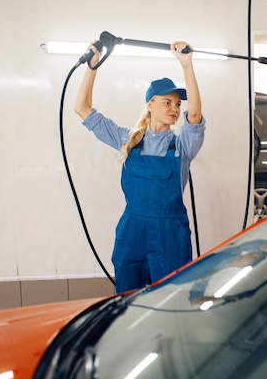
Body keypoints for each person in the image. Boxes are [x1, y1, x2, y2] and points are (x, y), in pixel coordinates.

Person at [74, 40, 206, 293]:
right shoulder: (128, 139)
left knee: (172, 295)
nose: (175, 109)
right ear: (150, 104)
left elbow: (196, 115)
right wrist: (92, 68)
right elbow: (82, 109)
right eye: (167, 102)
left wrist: (187, 65)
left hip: (170, 233)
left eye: (178, 104)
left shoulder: (182, 146)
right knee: (128, 296)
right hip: (133, 231)